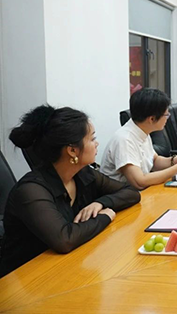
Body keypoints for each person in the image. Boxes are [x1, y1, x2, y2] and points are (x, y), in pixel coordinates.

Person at [0, 105, 141, 277]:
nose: (97, 144)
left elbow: (131, 192)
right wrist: (105, 216)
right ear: (72, 150)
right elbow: (64, 240)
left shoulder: (83, 174)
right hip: (26, 278)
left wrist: (100, 203)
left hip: (65, 267)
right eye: (92, 139)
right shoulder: (31, 190)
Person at [101, 88, 177, 190]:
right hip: (123, 196)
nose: (167, 118)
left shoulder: (142, 131)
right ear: (152, 119)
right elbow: (139, 182)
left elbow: (154, 161)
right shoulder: (125, 140)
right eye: (166, 115)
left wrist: (175, 160)